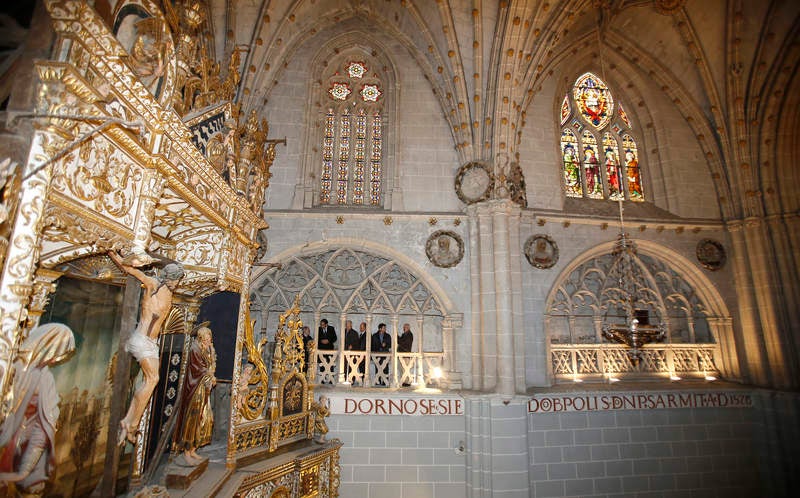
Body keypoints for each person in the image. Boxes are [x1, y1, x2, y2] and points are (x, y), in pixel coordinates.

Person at [109, 251, 184, 445]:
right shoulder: (153, 285)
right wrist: (111, 252)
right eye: (174, 279)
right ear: (168, 277)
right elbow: (130, 270)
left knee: (151, 381)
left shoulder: (168, 292)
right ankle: (132, 425)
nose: (176, 284)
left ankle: (128, 421)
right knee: (153, 379)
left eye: (177, 280)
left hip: (151, 343)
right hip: (142, 339)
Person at [0, 323, 75, 497]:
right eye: (57, 352)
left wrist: (24, 472)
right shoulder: (13, 363)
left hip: (20, 441)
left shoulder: (45, 378)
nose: (56, 359)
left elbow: (43, 428)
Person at [174, 326, 216, 466]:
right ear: (202, 337)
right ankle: (186, 451)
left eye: (210, 336)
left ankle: (192, 449)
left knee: (201, 418)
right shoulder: (195, 349)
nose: (210, 339)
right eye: (208, 336)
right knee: (192, 420)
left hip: (202, 389)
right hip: (195, 390)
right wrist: (209, 375)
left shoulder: (205, 349)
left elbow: (210, 365)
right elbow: (198, 369)